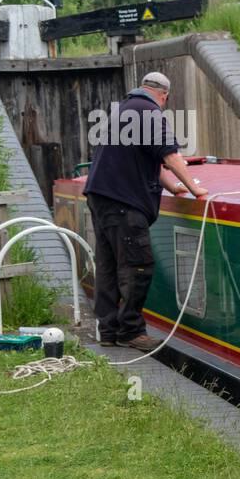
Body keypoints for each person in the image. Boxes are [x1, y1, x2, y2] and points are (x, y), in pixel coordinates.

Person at [83, 71, 206, 351]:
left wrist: (173, 187)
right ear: (164, 95)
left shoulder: (123, 111)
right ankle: (130, 331)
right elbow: (170, 155)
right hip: (124, 203)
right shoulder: (150, 112)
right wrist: (194, 189)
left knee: (108, 266)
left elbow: (147, 159)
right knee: (138, 266)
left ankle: (109, 330)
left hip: (100, 197)